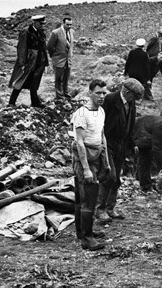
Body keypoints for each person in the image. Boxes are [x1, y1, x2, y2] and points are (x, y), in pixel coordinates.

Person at [96, 78, 144, 224]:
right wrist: (99, 142)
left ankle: (110, 208)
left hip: (121, 145)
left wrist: (131, 143)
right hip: (107, 143)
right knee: (109, 176)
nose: (135, 100)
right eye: (134, 96)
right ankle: (99, 210)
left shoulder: (131, 102)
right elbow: (100, 121)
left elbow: (129, 124)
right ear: (126, 91)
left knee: (116, 179)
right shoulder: (110, 100)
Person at [71, 79, 111, 251]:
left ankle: (83, 231)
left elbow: (102, 136)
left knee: (84, 197)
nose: (102, 96)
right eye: (98, 93)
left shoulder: (101, 111)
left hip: (96, 155)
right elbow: (79, 143)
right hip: (83, 158)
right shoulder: (81, 114)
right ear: (90, 93)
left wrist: (106, 161)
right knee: (88, 196)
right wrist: (86, 169)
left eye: (104, 93)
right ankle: (87, 239)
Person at [8, 15, 49, 108]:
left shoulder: (41, 32)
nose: (42, 25)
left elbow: (43, 48)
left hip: (39, 60)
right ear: (34, 22)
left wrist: (45, 62)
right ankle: (11, 102)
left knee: (34, 82)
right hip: (29, 60)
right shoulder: (26, 32)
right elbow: (22, 48)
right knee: (21, 80)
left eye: (43, 23)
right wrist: (22, 63)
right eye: (40, 23)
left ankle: (35, 102)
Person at [47, 16, 74, 102]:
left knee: (66, 78)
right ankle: (59, 96)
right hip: (58, 60)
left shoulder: (71, 32)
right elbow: (49, 46)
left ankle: (66, 93)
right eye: (67, 24)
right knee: (58, 79)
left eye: (71, 25)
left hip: (68, 60)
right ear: (63, 23)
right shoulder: (55, 33)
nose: (69, 26)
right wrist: (54, 56)